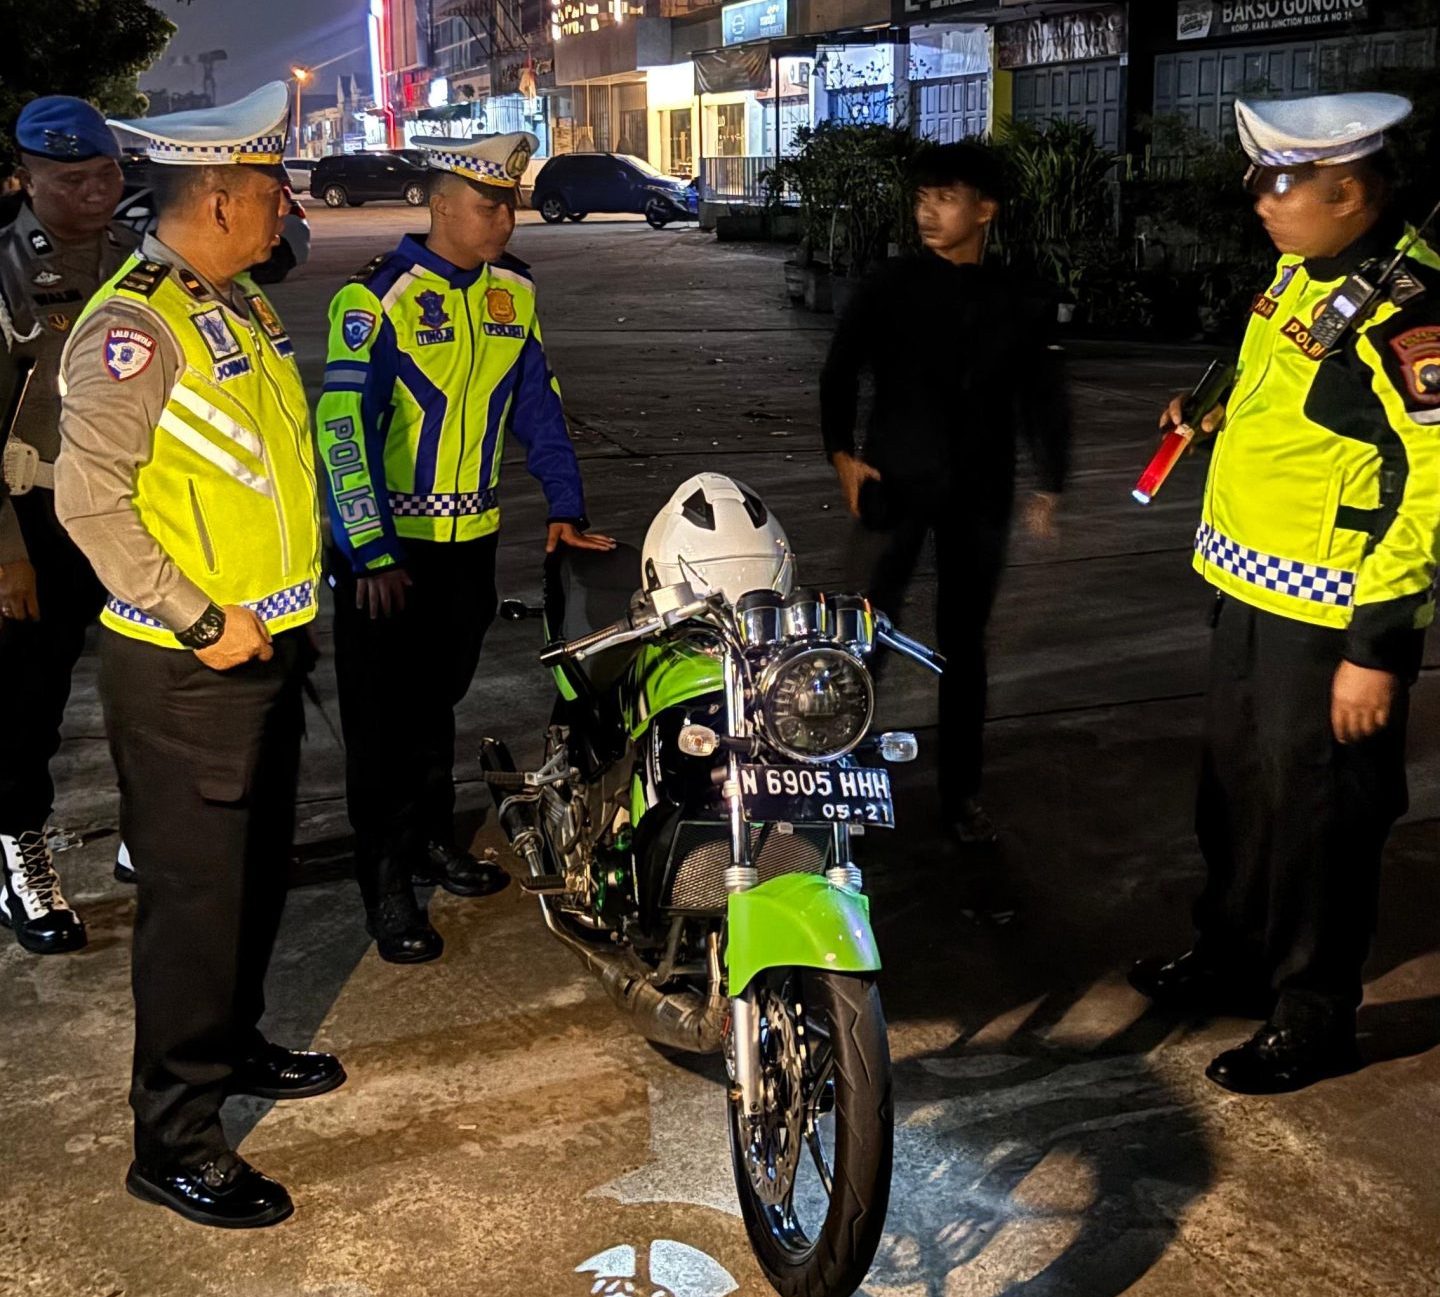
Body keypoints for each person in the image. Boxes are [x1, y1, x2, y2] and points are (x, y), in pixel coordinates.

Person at [55, 82, 344, 1227]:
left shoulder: (232, 301)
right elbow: (91, 502)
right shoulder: (134, 328)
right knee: (192, 905)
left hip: (265, 647)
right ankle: (173, 1137)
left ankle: (234, 1044)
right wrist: (195, 615)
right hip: (186, 670)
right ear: (219, 197)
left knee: (255, 874)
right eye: (273, 188)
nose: (286, 207)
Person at [1130, 92, 1440, 1094]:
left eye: (1280, 183)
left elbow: (1432, 490)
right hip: (1250, 588)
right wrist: (1214, 404)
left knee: (1320, 818)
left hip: (1333, 616)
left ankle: (1314, 1013)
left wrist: (1378, 648)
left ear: (1347, 191)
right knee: (1235, 793)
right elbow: (1279, 378)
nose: (1261, 200)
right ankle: (1229, 955)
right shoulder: (1302, 271)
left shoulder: (1408, 313)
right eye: (1260, 180)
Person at [316, 131, 614, 964]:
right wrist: (369, 550)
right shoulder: (376, 297)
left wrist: (565, 504)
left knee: (436, 703)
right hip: (390, 554)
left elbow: (538, 401)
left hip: (470, 546)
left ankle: (427, 840)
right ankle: (384, 881)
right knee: (381, 721)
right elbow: (341, 429)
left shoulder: (513, 291)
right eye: (488, 205)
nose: (504, 220)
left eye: (510, 205)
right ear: (440, 205)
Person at [819, 141, 1071, 845]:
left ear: (984, 210)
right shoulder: (890, 285)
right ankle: (831, 777)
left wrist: (1050, 482)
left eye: (947, 198)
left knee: (965, 646)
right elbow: (839, 369)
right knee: (862, 633)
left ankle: (962, 796)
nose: (929, 212)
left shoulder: (1019, 294)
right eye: (923, 198)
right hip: (892, 485)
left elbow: (1043, 395)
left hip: (980, 494)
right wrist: (841, 455)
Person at [0, 97, 138, 953]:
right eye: (73, 178)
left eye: (106, 173)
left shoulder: (138, 253)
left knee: (146, 681)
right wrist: (6, 552)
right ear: (28, 179)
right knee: (26, 703)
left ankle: (146, 832)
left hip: (130, 511)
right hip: (38, 517)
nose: (95, 191)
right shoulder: (6, 270)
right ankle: (20, 854)